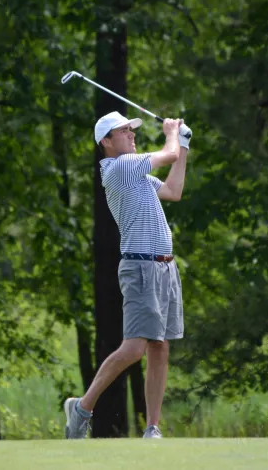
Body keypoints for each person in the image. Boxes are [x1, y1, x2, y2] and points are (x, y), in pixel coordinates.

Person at [64, 110, 191, 440]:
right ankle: (82, 408)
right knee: (135, 349)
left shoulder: (135, 173)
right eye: (124, 132)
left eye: (131, 130)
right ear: (107, 142)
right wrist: (172, 132)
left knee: (159, 347)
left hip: (165, 266)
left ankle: (152, 428)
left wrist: (185, 145)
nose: (132, 135)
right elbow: (168, 153)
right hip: (140, 267)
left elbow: (174, 190)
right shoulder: (121, 167)